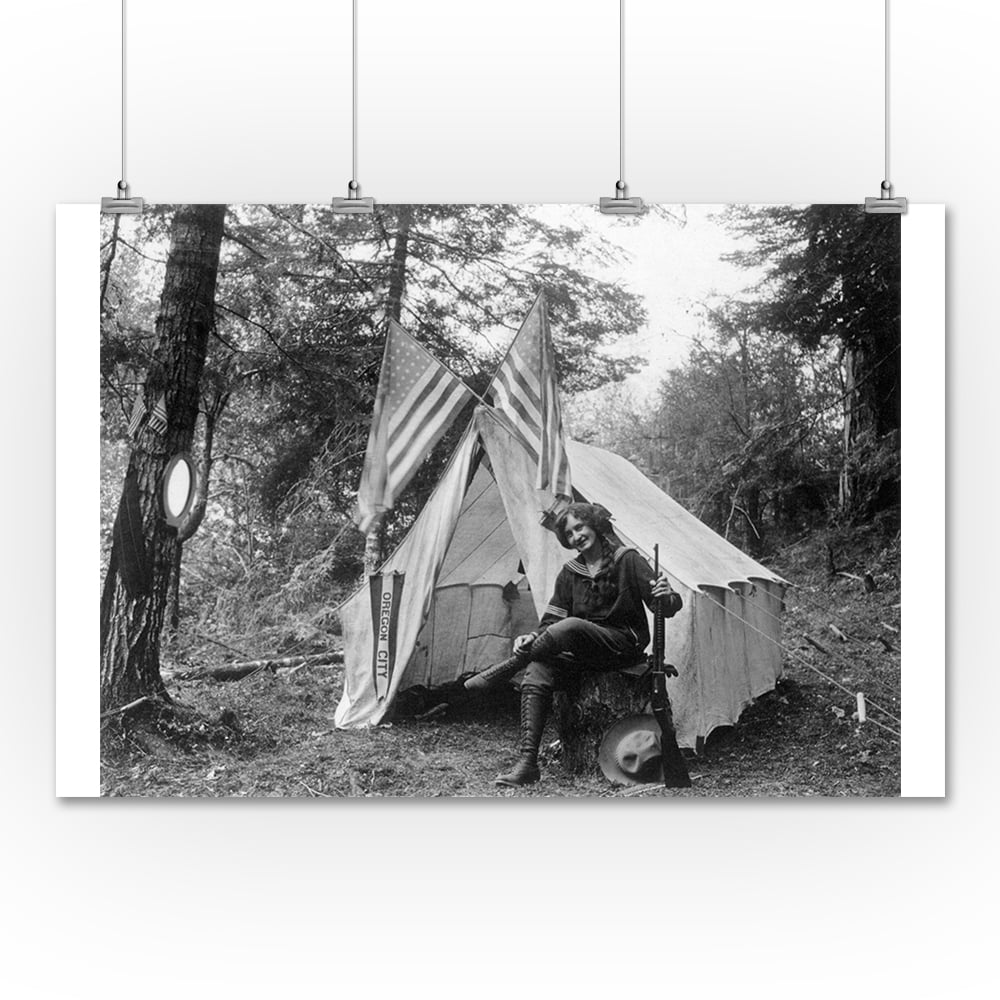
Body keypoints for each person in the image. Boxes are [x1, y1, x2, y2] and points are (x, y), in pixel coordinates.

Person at [463, 502, 682, 787]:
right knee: (540, 665)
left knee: (571, 627)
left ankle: (508, 667)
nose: (577, 536)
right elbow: (550, 621)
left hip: (622, 647)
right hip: (585, 651)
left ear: (593, 524)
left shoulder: (627, 559)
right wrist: (532, 637)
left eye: (580, 527)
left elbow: (665, 604)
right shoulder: (569, 573)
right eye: (569, 533)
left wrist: (668, 595)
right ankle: (528, 762)